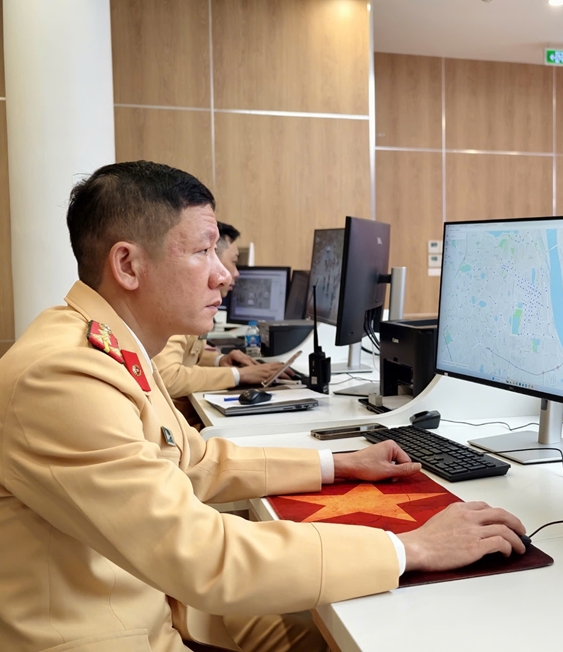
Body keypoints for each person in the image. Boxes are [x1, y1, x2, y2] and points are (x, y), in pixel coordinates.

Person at [0, 161, 527, 652]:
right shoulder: (64, 376)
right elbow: (203, 554)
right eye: (203, 251)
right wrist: (412, 548)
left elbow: (196, 463)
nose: (223, 274)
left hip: (161, 607)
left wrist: (339, 465)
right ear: (128, 265)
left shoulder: (114, 348)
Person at [152, 221, 291, 399]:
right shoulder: (178, 307)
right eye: (233, 262)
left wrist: (219, 361)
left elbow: (189, 356)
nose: (234, 273)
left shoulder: (195, 306)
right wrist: (239, 375)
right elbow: (167, 376)